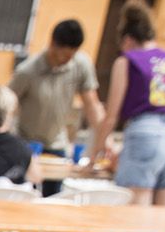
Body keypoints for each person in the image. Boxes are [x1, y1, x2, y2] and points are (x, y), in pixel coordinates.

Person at [92, 0, 165, 206]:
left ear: (127, 39)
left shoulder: (127, 61)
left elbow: (111, 116)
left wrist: (96, 153)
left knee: (137, 210)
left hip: (146, 131)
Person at [9, 19, 105, 155]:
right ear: (53, 44)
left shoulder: (81, 64)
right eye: (66, 55)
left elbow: (92, 105)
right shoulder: (27, 71)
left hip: (58, 144)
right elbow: (7, 105)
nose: (69, 59)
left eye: (74, 54)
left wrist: (105, 138)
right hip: (26, 143)